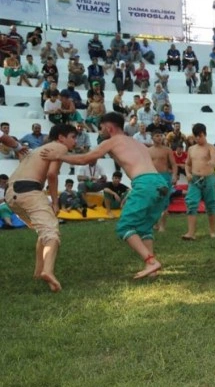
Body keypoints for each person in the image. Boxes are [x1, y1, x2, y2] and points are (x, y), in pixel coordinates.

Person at [40, 112, 168, 280]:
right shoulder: (136, 142)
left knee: (125, 227)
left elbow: (85, 159)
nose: (100, 132)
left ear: (109, 128)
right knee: (143, 228)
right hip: (160, 183)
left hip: (144, 183)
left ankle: (151, 262)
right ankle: (152, 270)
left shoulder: (112, 141)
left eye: (101, 129)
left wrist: (58, 156)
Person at [6, 124, 77, 292]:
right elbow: (52, 175)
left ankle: (39, 272)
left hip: (11, 194)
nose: (75, 141)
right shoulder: (59, 147)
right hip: (29, 191)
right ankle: (48, 271)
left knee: (42, 231)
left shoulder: (38, 150)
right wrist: (55, 201)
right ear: (61, 137)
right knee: (51, 233)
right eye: (73, 137)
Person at [182, 124, 215, 241]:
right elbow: (187, 164)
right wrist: (187, 173)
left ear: (205, 134)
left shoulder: (210, 147)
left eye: (200, 136)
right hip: (194, 179)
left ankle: (212, 231)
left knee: (211, 205)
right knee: (191, 203)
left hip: (208, 178)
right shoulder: (191, 149)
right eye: (196, 136)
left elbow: (214, 157)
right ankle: (191, 233)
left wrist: (212, 161)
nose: (198, 138)